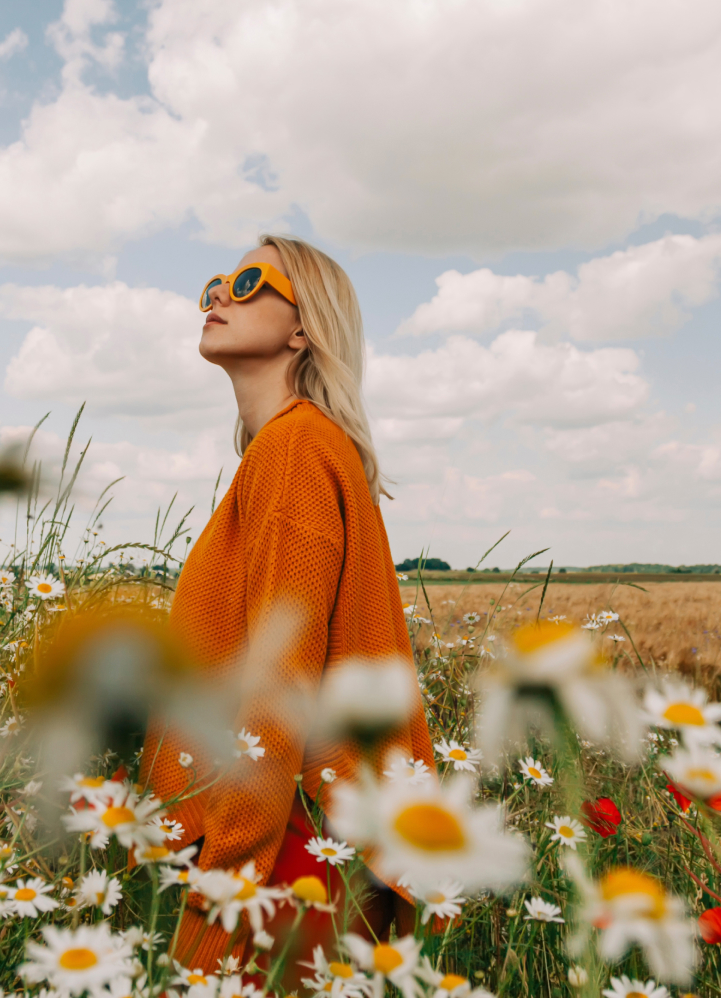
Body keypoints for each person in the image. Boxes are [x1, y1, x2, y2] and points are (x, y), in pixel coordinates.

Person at [140, 234, 434, 974]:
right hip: (310, 833)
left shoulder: (295, 448)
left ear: (304, 328)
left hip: (290, 850)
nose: (218, 295)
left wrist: (224, 887)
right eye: (215, 283)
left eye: (248, 282)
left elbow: (280, 691)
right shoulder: (298, 445)